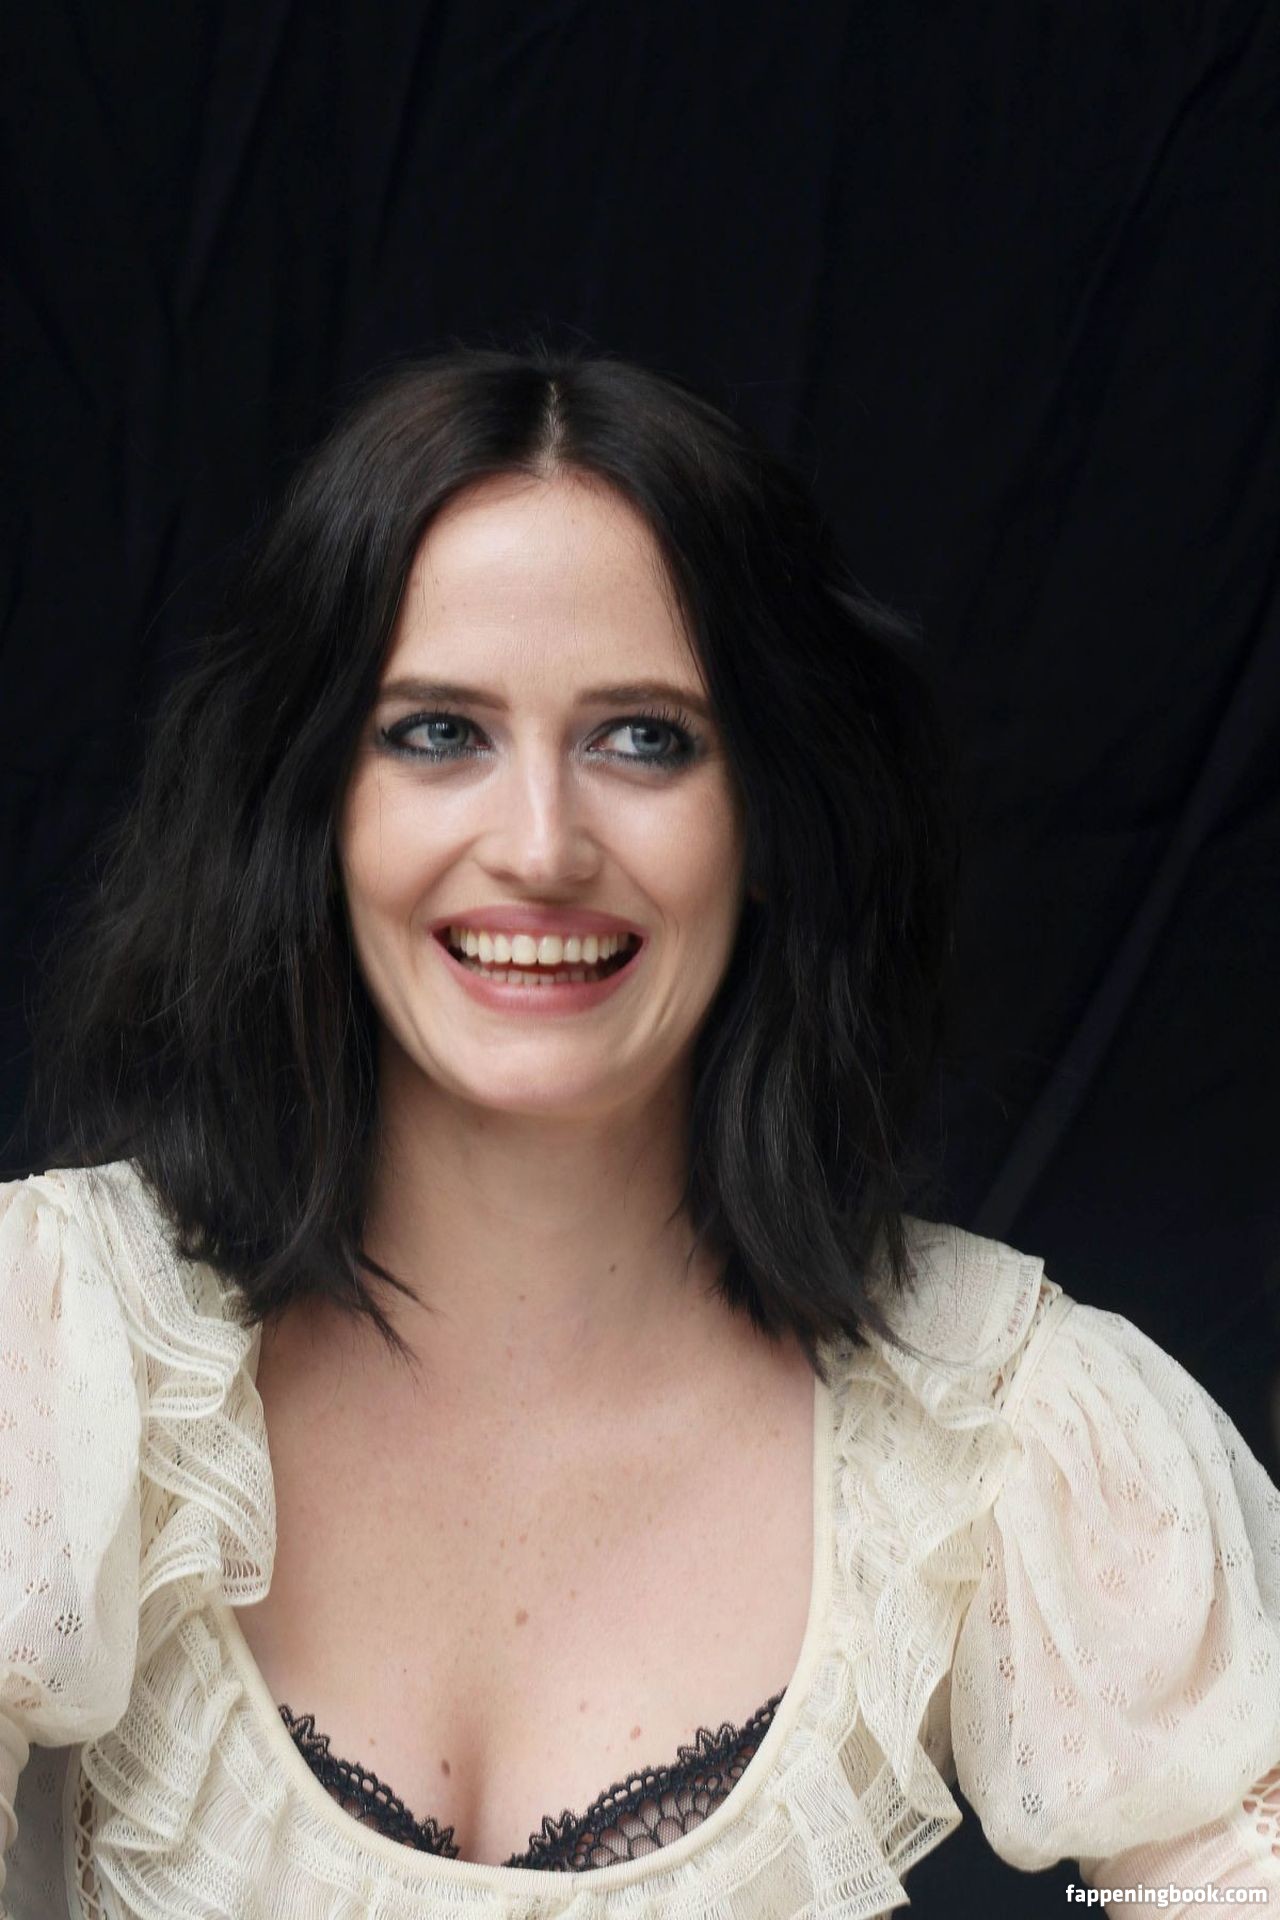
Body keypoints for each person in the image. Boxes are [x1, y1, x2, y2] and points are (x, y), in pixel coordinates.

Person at [1, 343, 1276, 1919]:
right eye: (437, 732)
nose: (542, 847)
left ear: (771, 819)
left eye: (646, 738)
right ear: (313, 802)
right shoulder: (56, 1353)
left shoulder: (1005, 1424)